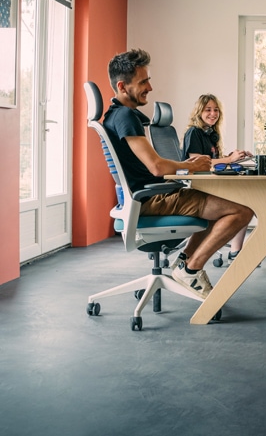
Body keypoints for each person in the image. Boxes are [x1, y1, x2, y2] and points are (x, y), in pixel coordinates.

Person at [103, 48, 254, 299]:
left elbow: (155, 165)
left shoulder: (119, 116)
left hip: (152, 194)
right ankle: (191, 269)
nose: (150, 87)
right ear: (122, 86)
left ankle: (185, 264)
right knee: (242, 211)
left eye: (148, 80)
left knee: (224, 207)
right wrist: (192, 165)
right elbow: (157, 167)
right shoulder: (125, 117)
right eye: (143, 81)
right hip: (152, 199)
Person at [183, 94, 253, 261]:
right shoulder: (193, 133)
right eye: (208, 110)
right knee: (242, 202)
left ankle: (236, 251)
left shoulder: (211, 134)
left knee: (246, 198)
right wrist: (229, 160)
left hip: (209, 184)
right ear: (199, 112)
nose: (213, 113)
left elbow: (213, 162)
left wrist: (235, 157)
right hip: (196, 188)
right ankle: (235, 252)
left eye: (216, 110)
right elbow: (196, 162)